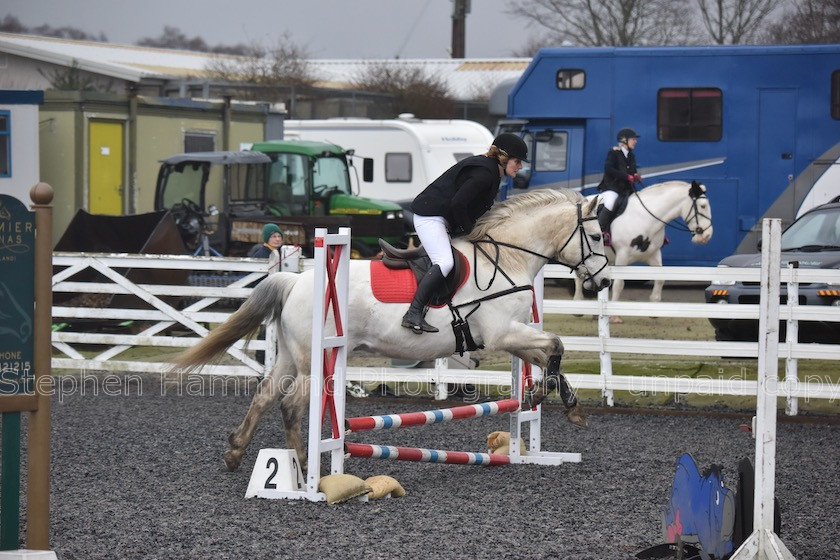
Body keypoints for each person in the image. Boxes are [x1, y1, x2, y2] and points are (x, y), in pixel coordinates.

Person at [401, 133, 528, 334]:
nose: (520, 166)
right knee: (445, 262)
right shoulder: (485, 173)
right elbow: (458, 203)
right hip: (430, 217)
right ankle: (413, 312)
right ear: (503, 158)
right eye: (517, 161)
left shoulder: (490, 171)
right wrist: (469, 229)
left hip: (440, 217)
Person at [597, 127, 642, 246]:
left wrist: (635, 175)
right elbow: (609, 168)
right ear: (624, 140)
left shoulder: (631, 156)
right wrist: (626, 176)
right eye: (633, 139)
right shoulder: (614, 153)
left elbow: (632, 171)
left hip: (626, 190)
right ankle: (600, 231)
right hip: (611, 187)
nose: (635, 141)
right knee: (610, 203)